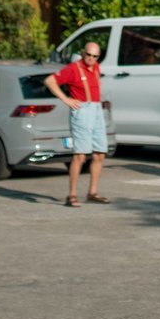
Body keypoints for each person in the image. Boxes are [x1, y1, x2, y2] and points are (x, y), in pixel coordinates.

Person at [46, 42, 108, 206]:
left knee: (100, 153)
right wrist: (65, 99)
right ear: (83, 53)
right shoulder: (74, 68)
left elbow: (97, 86)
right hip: (82, 110)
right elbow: (50, 81)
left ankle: (92, 192)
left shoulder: (96, 68)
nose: (91, 59)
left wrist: (103, 101)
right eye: (89, 55)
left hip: (96, 109)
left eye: (95, 56)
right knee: (80, 154)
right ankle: (71, 194)